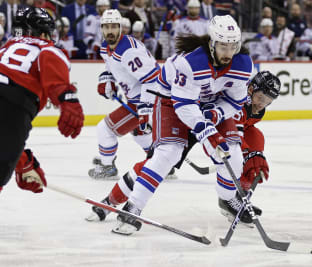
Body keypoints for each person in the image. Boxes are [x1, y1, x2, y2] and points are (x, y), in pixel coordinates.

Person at [86, 15, 256, 235]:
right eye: (223, 46)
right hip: (171, 102)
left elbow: (235, 101)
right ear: (212, 43)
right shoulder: (190, 63)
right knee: (168, 154)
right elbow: (184, 104)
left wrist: (216, 114)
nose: (228, 53)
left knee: (232, 153)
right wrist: (207, 131)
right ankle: (133, 206)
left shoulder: (243, 64)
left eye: (233, 46)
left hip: (208, 106)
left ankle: (227, 200)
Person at [0, 7, 84, 194]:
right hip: (14, 103)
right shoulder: (46, 47)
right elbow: (50, 61)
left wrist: (22, 161)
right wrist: (67, 100)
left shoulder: (7, 46)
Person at [88, 9, 159, 180]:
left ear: (121, 28)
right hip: (135, 99)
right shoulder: (105, 47)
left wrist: (145, 108)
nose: (110, 31)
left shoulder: (129, 52)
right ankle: (159, 162)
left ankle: (108, 166)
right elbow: (111, 66)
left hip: (144, 100)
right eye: (106, 27)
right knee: (140, 133)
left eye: (114, 26)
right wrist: (106, 80)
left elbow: (153, 79)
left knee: (105, 129)